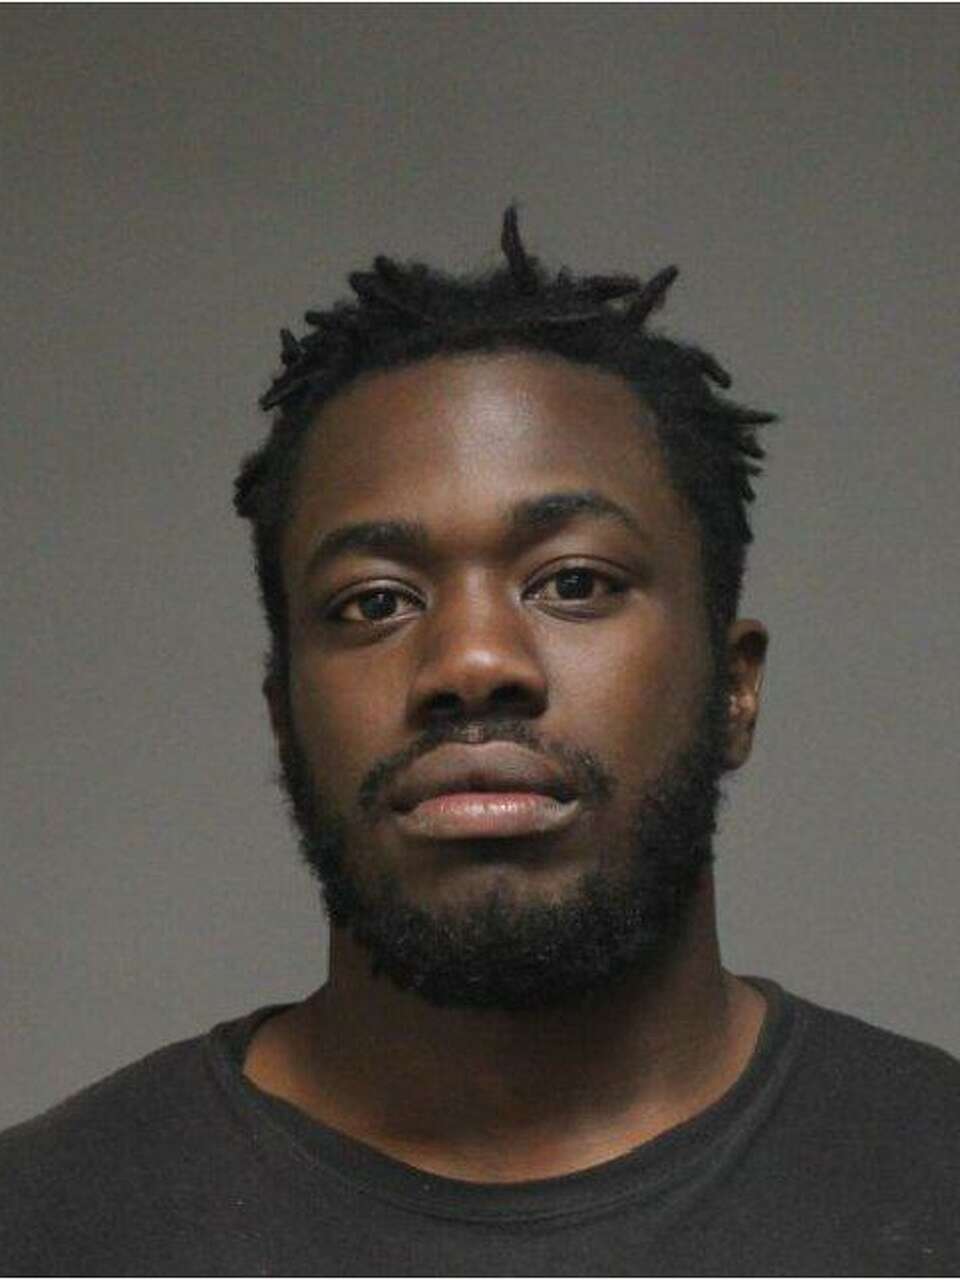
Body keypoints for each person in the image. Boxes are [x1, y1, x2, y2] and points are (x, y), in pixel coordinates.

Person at [2, 210, 957, 1277]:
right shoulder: (41, 1226)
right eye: (374, 601)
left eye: (575, 582)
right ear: (282, 715)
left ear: (735, 689)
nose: (472, 661)